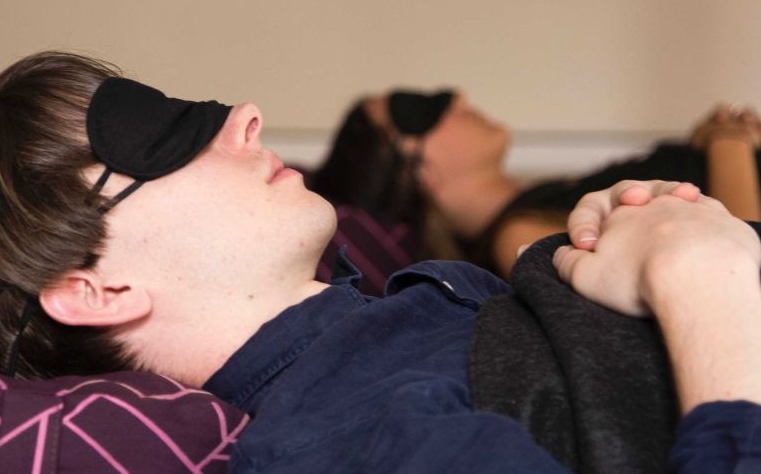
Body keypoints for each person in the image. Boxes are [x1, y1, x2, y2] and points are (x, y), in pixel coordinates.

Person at [0, 51, 759, 474]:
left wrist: (606, 259)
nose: (242, 117)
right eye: (158, 137)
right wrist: (705, 288)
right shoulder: (331, 450)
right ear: (95, 288)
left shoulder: (416, 313)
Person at [309, 90, 761, 289]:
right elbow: (734, 266)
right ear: (415, 170)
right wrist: (729, 144)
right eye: (423, 108)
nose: (459, 99)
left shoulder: (559, 194)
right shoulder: (518, 240)